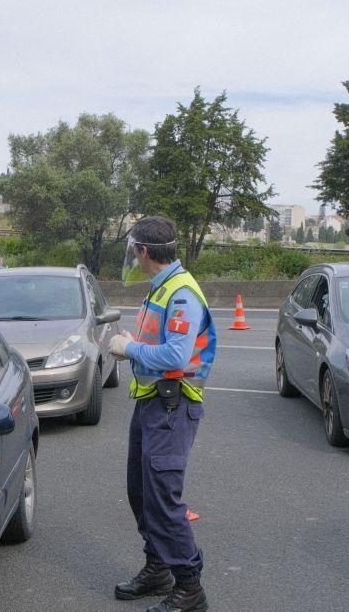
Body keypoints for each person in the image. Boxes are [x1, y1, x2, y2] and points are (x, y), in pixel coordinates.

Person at [109, 216, 216, 612]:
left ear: (143, 252)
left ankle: (189, 587)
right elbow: (161, 341)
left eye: (133, 251)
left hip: (172, 406)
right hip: (153, 402)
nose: (133, 258)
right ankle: (158, 568)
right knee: (141, 491)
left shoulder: (181, 292)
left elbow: (176, 354)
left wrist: (128, 348)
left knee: (163, 499)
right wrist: (136, 341)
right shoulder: (162, 287)